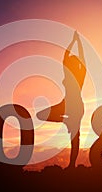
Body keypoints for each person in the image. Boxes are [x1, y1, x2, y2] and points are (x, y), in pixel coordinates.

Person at [36, 30, 86, 168]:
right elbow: (65, 56)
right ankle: (65, 120)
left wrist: (78, 42)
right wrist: (73, 41)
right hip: (65, 103)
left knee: (75, 138)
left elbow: (81, 57)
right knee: (41, 115)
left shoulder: (81, 76)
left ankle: (72, 165)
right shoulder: (69, 73)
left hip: (76, 106)